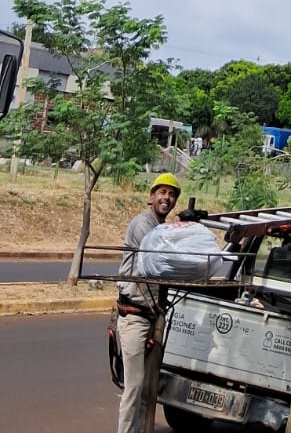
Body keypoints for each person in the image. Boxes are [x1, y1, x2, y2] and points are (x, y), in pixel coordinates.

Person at [115, 172, 181, 433]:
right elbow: (159, 257)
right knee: (134, 387)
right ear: (152, 196)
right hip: (134, 316)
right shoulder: (143, 224)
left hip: (153, 317)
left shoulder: (163, 228)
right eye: (162, 193)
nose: (167, 198)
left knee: (148, 388)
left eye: (172, 194)